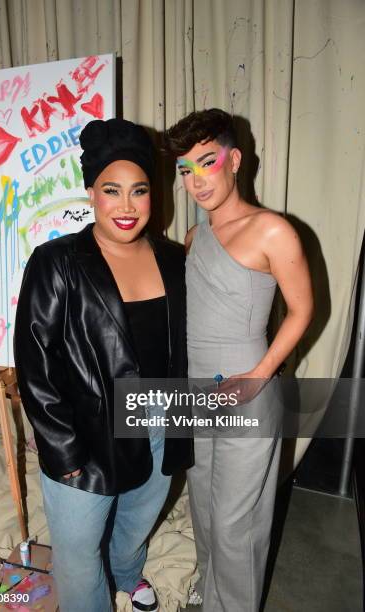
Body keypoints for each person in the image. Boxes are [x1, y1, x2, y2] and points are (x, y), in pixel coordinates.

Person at [14, 118, 193, 612]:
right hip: (87, 430)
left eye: (139, 190)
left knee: (137, 516)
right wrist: (64, 452)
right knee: (75, 556)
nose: (127, 205)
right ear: (91, 190)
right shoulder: (57, 261)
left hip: (162, 417)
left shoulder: (176, 258)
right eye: (112, 190)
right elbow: (34, 364)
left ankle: (128, 571)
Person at [164, 108, 314, 611]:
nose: (196, 179)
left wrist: (259, 374)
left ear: (234, 160)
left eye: (206, 162)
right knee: (204, 507)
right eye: (185, 169)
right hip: (196, 391)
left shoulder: (272, 230)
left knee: (236, 521)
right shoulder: (192, 239)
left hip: (250, 388)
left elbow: (302, 310)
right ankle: (211, 595)